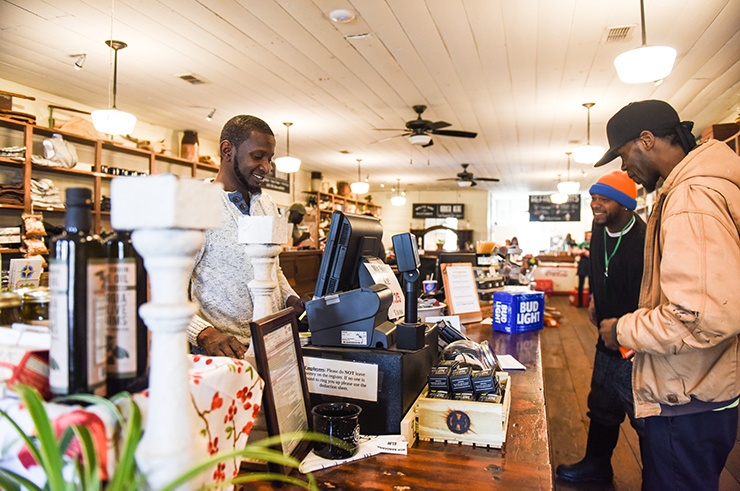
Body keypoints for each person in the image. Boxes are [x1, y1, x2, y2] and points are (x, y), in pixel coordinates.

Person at [595, 100, 740, 490]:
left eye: (624, 156)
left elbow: (699, 316)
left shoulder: (690, 200)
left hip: (688, 398)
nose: (625, 169)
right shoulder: (701, 188)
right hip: (704, 388)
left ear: (646, 140)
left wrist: (622, 329)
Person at [186, 115, 308, 358]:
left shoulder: (268, 204)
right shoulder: (195, 204)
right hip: (224, 356)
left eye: (270, 158)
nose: (266, 167)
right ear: (227, 150)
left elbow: (275, 269)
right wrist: (204, 333)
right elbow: (167, 288)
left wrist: (292, 301)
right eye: (258, 156)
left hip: (272, 344)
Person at [556, 170, 646, 483]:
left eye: (604, 199)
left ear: (624, 204)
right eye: (593, 198)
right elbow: (599, 269)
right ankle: (597, 466)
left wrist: (628, 332)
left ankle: (656, 478)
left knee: (644, 417)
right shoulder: (599, 230)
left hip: (639, 346)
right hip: (604, 339)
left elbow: (652, 297)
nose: (595, 205)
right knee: (602, 404)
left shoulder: (644, 241)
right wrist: (594, 297)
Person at [575, 231, 591, 307]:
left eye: (590, 235)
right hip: (582, 265)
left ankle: (591, 303)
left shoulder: (595, 243)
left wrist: (587, 253)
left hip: (591, 265)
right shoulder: (582, 244)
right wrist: (581, 252)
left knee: (592, 285)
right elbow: (576, 251)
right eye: (588, 235)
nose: (589, 237)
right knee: (580, 284)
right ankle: (580, 303)